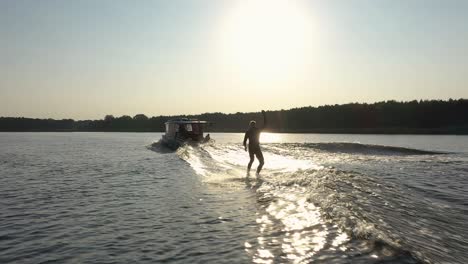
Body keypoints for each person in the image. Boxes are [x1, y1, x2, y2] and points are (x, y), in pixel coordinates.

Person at [243, 110, 267, 175]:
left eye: (253, 125)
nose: (252, 127)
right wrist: (245, 147)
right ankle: (248, 173)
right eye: (251, 125)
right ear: (250, 125)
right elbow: (244, 141)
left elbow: (264, 125)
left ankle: (257, 173)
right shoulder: (248, 131)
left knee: (262, 162)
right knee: (252, 160)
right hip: (251, 148)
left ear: (255, 125)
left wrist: (264, 116)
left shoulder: (258, 130)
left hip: (256, 147)